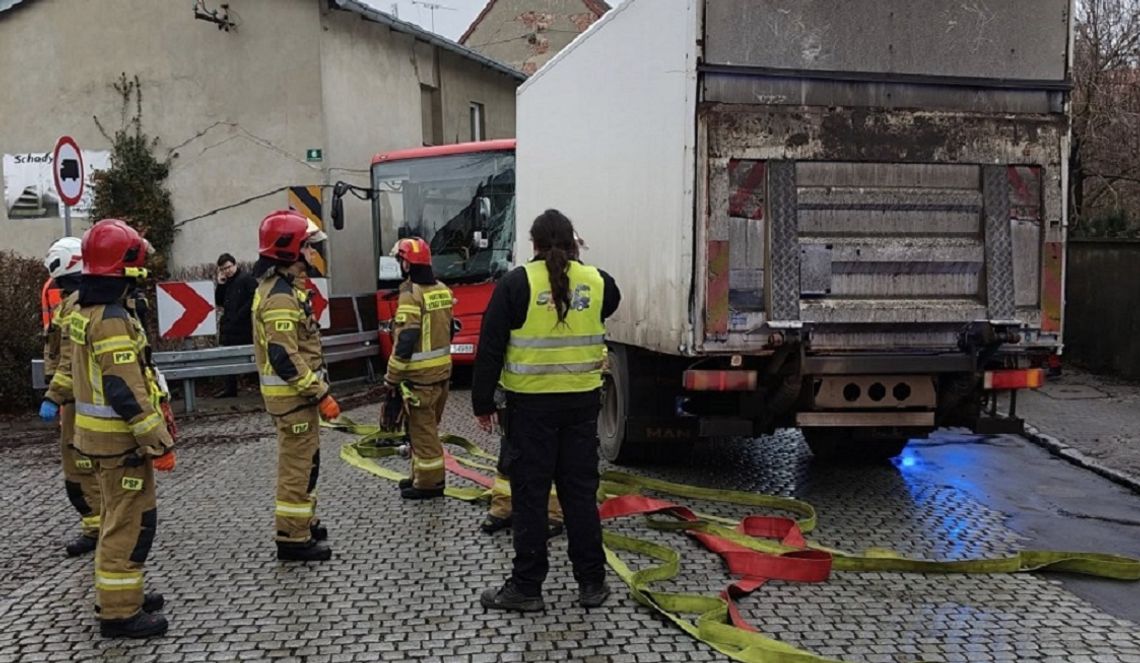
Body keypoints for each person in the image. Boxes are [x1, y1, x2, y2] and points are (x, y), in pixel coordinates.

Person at [473, 209, 621, 612]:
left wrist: (483, 403)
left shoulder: (515, 284)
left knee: (530, 498)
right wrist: (578, 264)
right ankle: (591, 583)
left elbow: (490, 347)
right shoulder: (598, 281)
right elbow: (609, 303)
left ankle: (527, 587)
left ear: (533, 244)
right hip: (581, 406)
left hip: (530, 409)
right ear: (575, 243)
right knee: (580, 496)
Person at [70, 219, 174, 638]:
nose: (142, 271)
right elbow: (123, 388)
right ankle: (119, 613)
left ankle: (123, 595)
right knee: (128, 524)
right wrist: (158, 441)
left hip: (101, 440)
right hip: (120, 442)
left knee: (117, 518)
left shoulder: (87, 309)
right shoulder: (111, 318)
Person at [252, 210, 340, 561]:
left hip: (296, 400)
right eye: (306, 247)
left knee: (308, 463)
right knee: (297, 469)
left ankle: (305, 521)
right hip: (293, 400)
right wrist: (320, 393)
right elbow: (284, 357)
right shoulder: (280, 297)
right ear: (289, 250)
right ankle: (291, 537)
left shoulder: (286, 289)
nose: (310, 253)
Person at [38, 237, 104, 556]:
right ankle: (102, 525)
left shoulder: (75, 304)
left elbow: (69, 359)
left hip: (77, 399)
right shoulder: (81, 299)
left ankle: (97, 528)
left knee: (79, 466)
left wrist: (54, 396)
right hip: (80, 397)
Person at [383, 237, 455, 500]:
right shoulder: (442, 289)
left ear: (406, 264)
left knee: (423, 433)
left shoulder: (411, 295)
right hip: (441, 374)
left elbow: (406, 339)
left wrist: (391, 377)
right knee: (424, 428)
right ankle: (418, 475)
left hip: (419, 379)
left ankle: (429, 484)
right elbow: (450, 329)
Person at [212, 252, 257, 398]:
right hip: (230, 326)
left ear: (235, 265)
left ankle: (255, 385)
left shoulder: (246, 279)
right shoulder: (227, 282)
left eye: (229, 267)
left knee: (252, 357)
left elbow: (254, 298)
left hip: (244, 326)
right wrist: (220, 284)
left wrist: (240, 315)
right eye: (223, 269)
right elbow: (219, 301)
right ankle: (230, 388)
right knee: (228, 358)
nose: (227, 271)